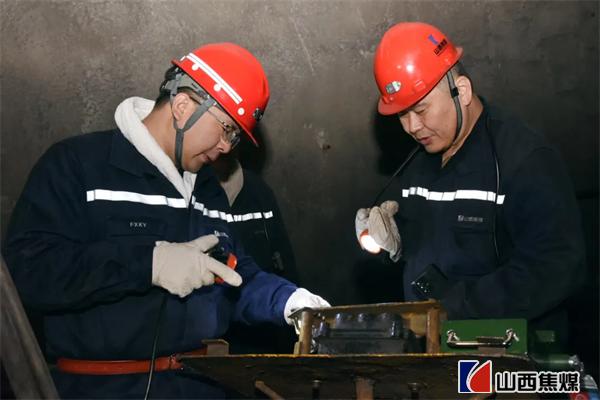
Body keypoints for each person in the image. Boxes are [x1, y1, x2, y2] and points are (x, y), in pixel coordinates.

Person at [3, 42, 329, 399]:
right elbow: (28, 271)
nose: (226, 147)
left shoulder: (208, 189)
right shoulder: (78, 166)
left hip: (201, 387)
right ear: (183, 106)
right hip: (103, 389)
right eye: (226, 129)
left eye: (235, 136)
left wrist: (289, 301)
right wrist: (148, 264)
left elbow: (234, 275)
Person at [355, 22, 585, 347]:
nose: (412, 127)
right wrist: (395, 244)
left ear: (461, 91)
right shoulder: (418, 163)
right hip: (432, 349)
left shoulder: (523, 160)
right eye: (402, 114)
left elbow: (557, 267)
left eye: (420, 109)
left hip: (507, 354)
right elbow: (434, 245)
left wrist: (456, 308)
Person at [213, 152, 300, 354]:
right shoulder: (190, 195)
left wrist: (294, 300)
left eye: (231, 137)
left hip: (259, 339)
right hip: (204, 342)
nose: (224, 145)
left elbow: (284, 264)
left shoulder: (258, 192)